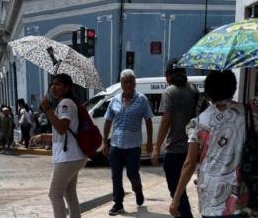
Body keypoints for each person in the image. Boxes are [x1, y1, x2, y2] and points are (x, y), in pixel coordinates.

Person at [169, 70, 249, 218]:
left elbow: (189, 164)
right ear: (234, 87)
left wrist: (176, 199)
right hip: (241, 193)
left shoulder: (200, 121)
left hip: (211, 195)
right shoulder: (250, 113)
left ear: (208, 91)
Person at [30, 73, 87, 218]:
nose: (53, 87)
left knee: (54, 195)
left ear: (67, 87)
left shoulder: (65, 104)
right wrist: (43, 136)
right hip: (74, 155)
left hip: (68, 158)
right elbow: (63, 134)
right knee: (69, 193)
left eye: (58, 84)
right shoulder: (66, 103)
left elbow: (61, 128)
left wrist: (47, 108)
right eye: (52, 84)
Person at [101, 69, 153, 216]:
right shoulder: (115, 100)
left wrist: (149, 142)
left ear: (135, 83)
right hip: (116, 145)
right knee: (115, 175)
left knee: (132, 173)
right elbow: (108, 121)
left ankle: (138, 189)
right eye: (125, 82)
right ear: (121, 84)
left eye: (131, 81)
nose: (128, 84)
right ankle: (118, 203)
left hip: (133, 146)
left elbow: (148, 120)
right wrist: (105, 142)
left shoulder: (142, 100)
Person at [151, 59, 198, 218]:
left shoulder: (169, 92)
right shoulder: (193, 90)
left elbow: (165, 121)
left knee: (176, 191)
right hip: (191, 147)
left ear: (167, 76)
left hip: (174, 150)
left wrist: (157, 147)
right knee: (182, 188)